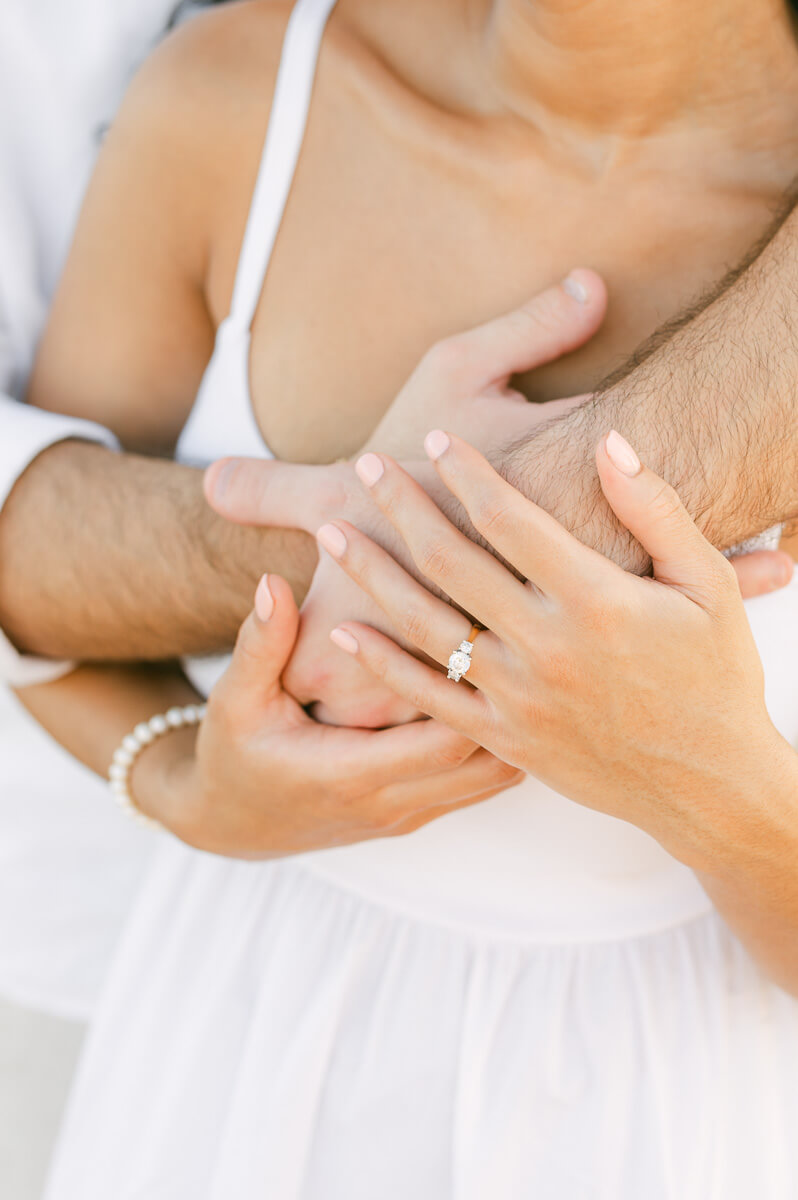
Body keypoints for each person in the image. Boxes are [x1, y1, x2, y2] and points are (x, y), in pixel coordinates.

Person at [18, 1, 797, 1197]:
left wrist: (711, 782)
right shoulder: (235, 99)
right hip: (232, 1058)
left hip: (660, 1115)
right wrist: (186, 777)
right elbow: (48, 609)